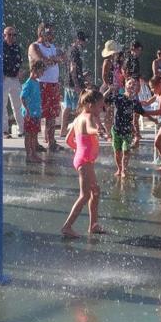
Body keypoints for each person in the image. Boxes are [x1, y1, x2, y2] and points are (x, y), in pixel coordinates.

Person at [62, 89, 106, 237]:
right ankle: (67, 226)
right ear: (89, 105)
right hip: (85, 161)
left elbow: (68, 140)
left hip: (82, 159)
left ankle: (93, 225)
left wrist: (79, 150)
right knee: (85, 195)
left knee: (96, 191)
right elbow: (89, 128)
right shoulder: (88, 116)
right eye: (100, 107)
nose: (101, 110)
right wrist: (96, 131)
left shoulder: (77, 118)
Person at [106, 76, 157, 178]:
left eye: (134, 84)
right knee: (117, 151)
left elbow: (143, 113)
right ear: (125, 85)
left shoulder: (134, 101)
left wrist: (153, 120)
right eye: (130, 83)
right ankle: (119, 169)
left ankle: (124, 169)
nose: (132, 86)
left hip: (127, 130)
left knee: (126, 150)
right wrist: (109, 89)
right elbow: (104, 99)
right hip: (116, 130)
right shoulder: (119, 97)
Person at [28, 24, 64, 150]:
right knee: (37, 113)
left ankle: (51, 141)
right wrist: (54, 59)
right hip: (40, 84)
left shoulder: (52, 47)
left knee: (52, 114)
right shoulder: (34, 46)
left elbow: (63, 57)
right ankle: (35, 142)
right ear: (42, 33)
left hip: (53, 84)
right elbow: (41, 61)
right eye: (49, 33)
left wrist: (54, 59)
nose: (52, 35)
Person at [61, 30, 88, 141]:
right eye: (84, 40)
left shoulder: (70, 50)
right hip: (73, 84)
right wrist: (77, 84)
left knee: (67, 107)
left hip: (69, 83)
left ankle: (63, 130)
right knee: (79, 108)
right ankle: (77, 131)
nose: (85, 42)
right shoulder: (74, 51)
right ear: (78, 40)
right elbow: (73, 68)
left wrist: (82, 75)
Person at [1, 25, 24, 137]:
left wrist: (19, 70)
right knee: (3, 105)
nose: (11, 37)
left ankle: (22, 129)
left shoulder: (16, 47)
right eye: (9, 35)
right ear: (4, 35)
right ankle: (4, 130)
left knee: (18, 104)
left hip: (15, 78)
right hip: (4, 78)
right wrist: (0, 73)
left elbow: (19, 60)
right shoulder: (0, 47)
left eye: (14, 35)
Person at [21, 60, 45, 164]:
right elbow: (22, 97)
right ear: (35, 70)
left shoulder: (36, 82)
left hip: (36, 113)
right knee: (28, 135)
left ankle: (33, 154)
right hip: (29, 114)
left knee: (34, 135)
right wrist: (26, 110)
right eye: (41, 71)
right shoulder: (29, 83)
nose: (42, 73)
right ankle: (28, 155)